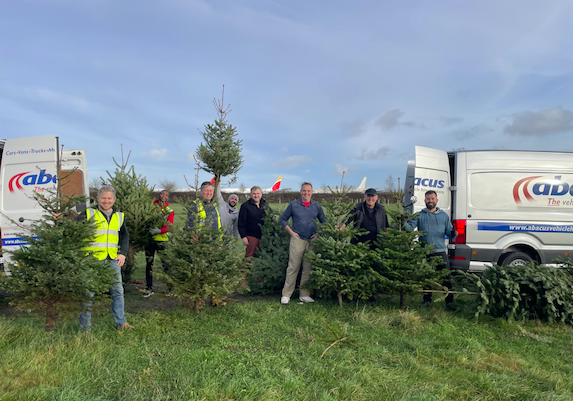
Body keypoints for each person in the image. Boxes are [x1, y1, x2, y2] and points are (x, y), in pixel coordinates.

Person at [78, 185, 134, 331]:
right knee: (88, 293)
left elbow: (124, 235)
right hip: (91, 260)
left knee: (117, 291)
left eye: (109, 198)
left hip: (112, 259)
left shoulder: (119, 216)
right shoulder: (88, 213)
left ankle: (121, 323)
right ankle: (85, 328)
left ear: (114, 199)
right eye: (103, 198)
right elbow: (73, 228)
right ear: (98, 198)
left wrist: (123, 253)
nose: (106, 201)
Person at [405, 190, 457, 309]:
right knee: (426, 278)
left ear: (436, 200)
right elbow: (409, 228)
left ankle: (449, 302)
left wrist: (453, 233)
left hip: (440, 252)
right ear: (425, 201)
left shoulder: (444, 216)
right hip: (425, 252)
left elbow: (450, 232)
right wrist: (402, 221)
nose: (430, 201)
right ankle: (426, 301)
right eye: (428, 199)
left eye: (432, 198)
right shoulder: (420, 215)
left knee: (446, 278)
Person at [279, 182, 326, 304]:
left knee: (308, 268)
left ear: (312, 192)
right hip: (297, 240)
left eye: (308, 191)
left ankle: (304, 294)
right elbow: (283, 219)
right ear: (300, 192)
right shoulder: (293, 205)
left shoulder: (316, 206)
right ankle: (286, 294)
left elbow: (324, 221)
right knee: (293, 267)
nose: (306, 193)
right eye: (304, 191)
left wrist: (318, 233)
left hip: (312, 241)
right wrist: (291, 233)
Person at [143, 190, 175, 297]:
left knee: (166, 264)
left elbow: (169, 226)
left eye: (166, 195)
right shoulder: (152, 207)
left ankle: (170, 288)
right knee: (149, 264)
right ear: (159, 195)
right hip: (150, 240)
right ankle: (149, 287)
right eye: (162, 194)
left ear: (168, 198)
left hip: (162, 241)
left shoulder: (169, 210)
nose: (164, 196)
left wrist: (160, 231)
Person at [238, 186, 268, 258]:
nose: (256, 196)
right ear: (251, 195)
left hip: (264, 235)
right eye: (254, 194)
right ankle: (245, 269)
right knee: (249, 256)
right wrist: (243, 237)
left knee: (261, 256)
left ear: (261, 194)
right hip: (251, 236)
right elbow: (241, 222)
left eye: (258, 193)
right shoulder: (245, 206)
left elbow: (269, 215)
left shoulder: (264, 204)